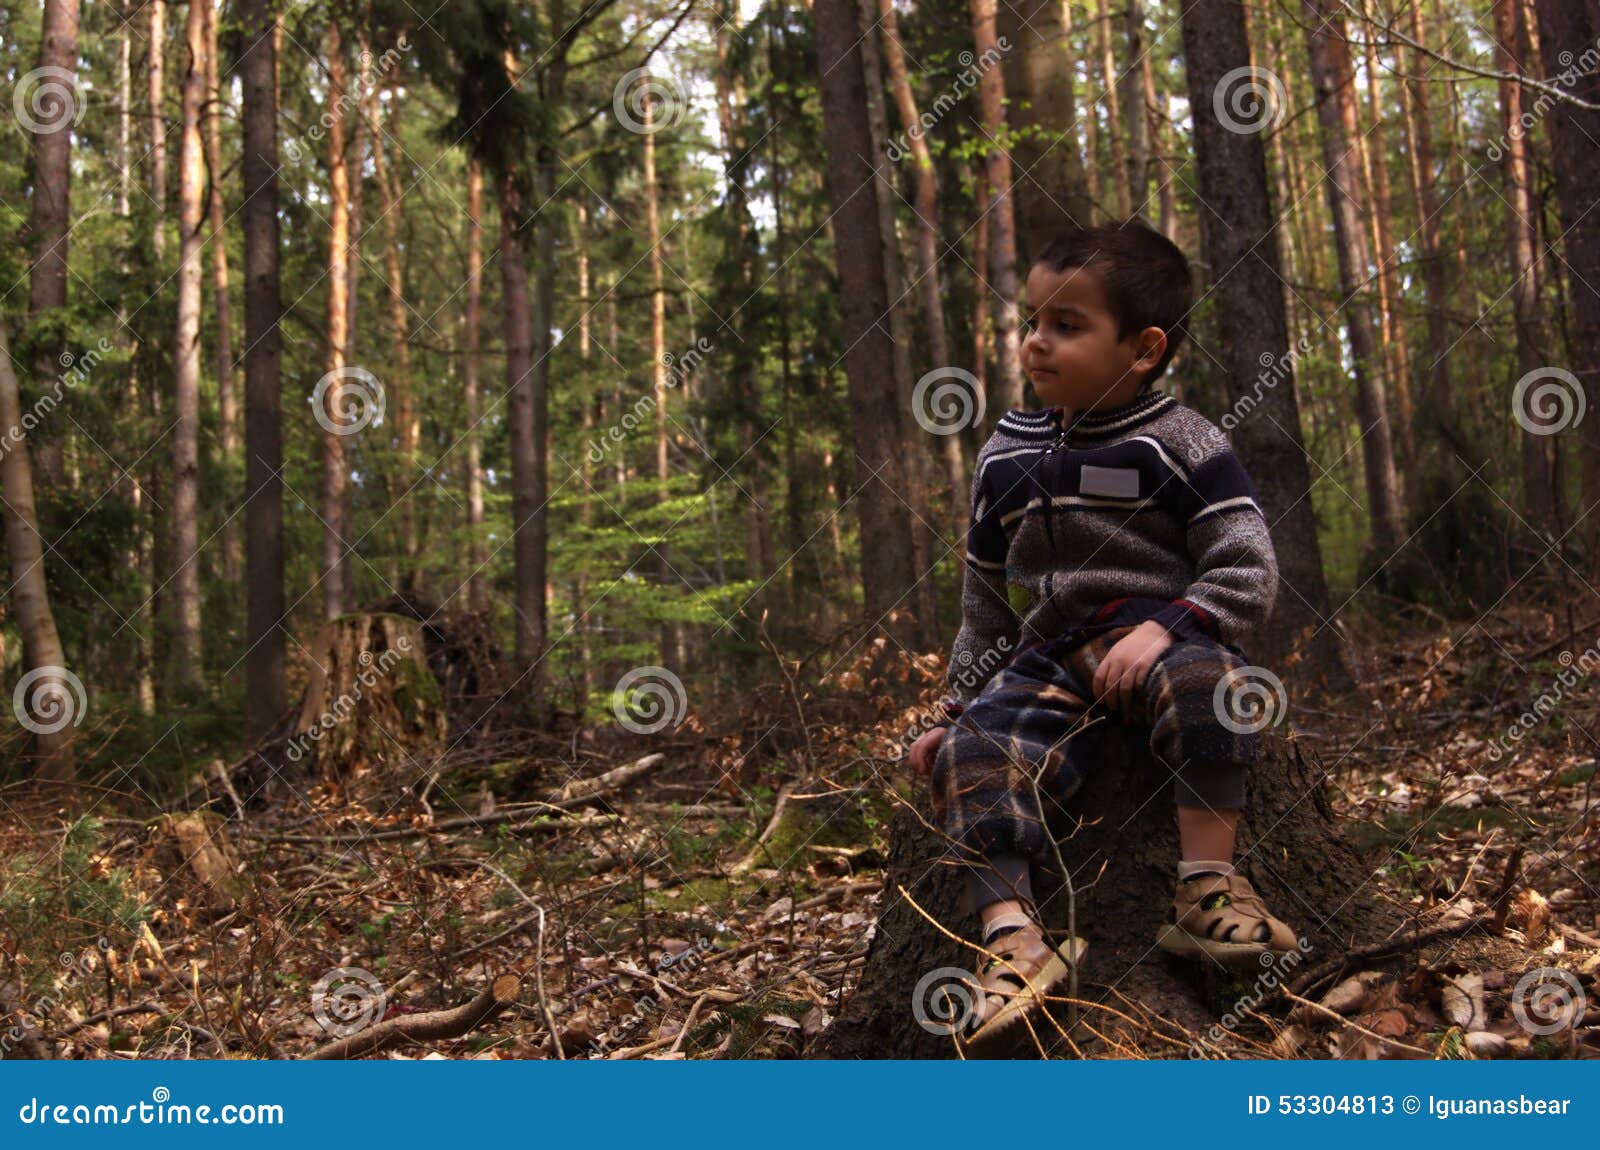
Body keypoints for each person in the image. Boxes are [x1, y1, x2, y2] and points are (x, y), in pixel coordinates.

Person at [907, 220, 1300, 1053]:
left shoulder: (1183, 443)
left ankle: (1207, 890)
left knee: (1214, 689)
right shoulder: (1005, 456)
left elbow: (1246, 564)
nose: (1035, 343)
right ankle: (1012, 940)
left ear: (1144, 349)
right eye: (1032, 321)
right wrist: (960, 707)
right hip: (1045, 657)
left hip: (1160, 637)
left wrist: (1169, 626)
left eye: (1067, 325)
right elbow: (985, 604)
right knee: (970, 754)